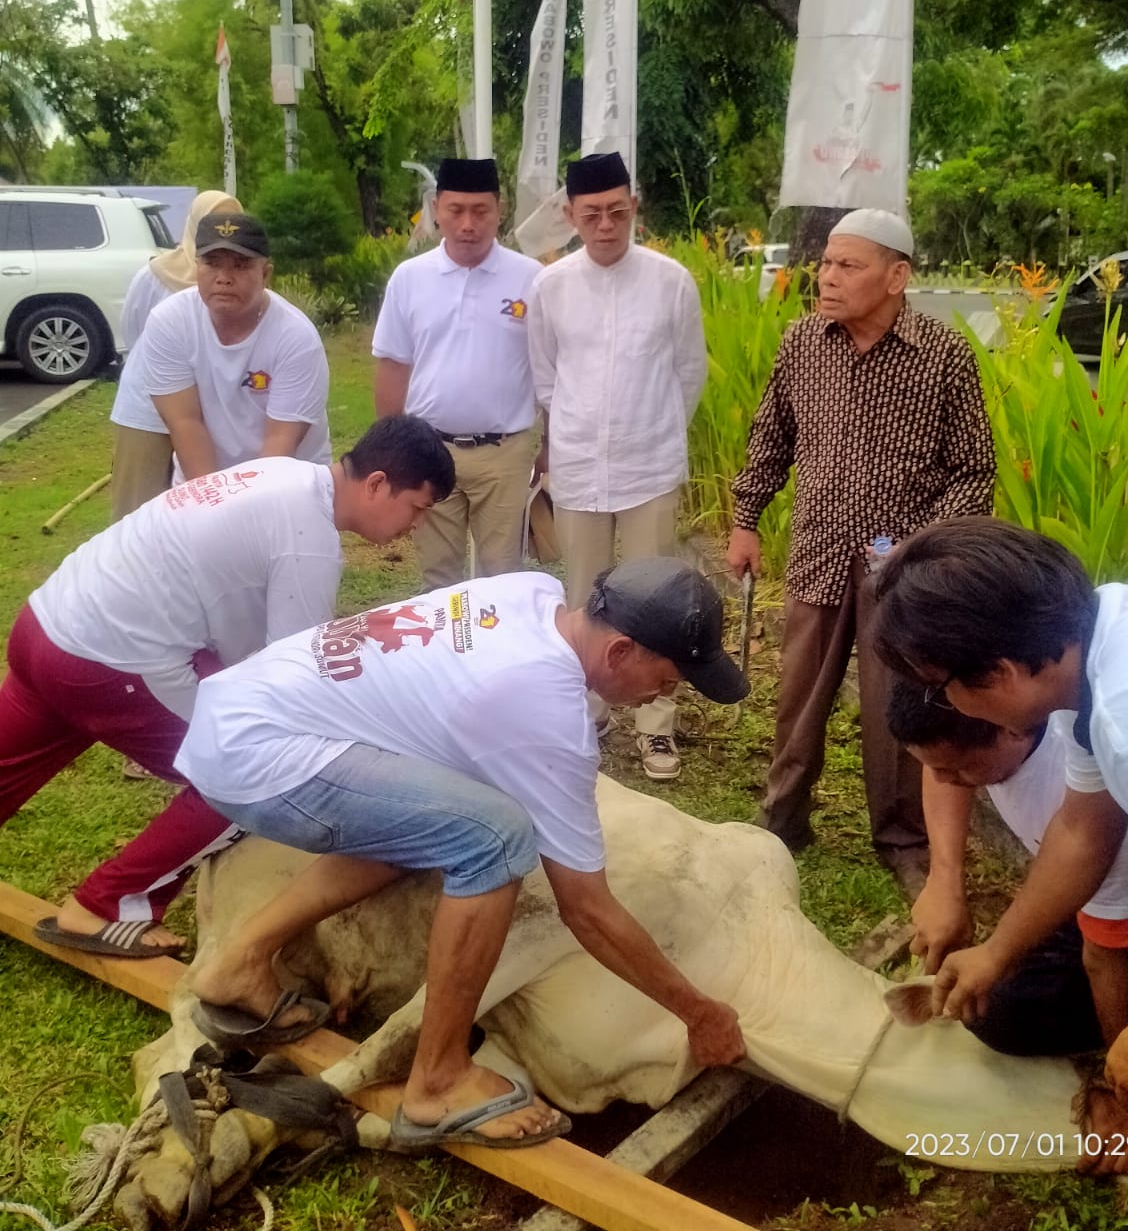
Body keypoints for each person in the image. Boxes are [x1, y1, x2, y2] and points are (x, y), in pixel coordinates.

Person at [179, 557, 749, 1151]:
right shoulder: (544, 711)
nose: (669, 690)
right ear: (620, 651)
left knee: (441, 819)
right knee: (494, 837)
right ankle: (439, 1081)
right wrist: (700, 1013)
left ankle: (240, 961)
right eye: (669, 676)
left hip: (241, 708)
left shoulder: (530, 591)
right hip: (262, 761)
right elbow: (588, 911)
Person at [1, 418, 453, 960]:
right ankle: (107, 906)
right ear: (377, 484)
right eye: (419, 509)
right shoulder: (309, 542)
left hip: (45, 626)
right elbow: (293, 678)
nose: (416, 528)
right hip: (106, 664)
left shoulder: (284, 475)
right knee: (253, 772)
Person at [870, 516, 1128, 1159]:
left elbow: (1114, 928)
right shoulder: (1108, 641)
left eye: (943, 688)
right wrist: (998, 953)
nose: (947, 706)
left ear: (996, 674)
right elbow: (1081, 830)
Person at [725, 207, 995, 894]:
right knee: (798, 696)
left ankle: (903, 837)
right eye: (826, 263)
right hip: (818, 547)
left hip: (900, 570)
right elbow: (770, 439)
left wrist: (921, 550)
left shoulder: (943, 355)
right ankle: (782, 819)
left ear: (897, 275)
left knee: (897, 703)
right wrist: (746, 518)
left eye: (849, 265)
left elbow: (974, 469)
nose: (828, 277)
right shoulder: (802, 344)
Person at [525, 153, 707, 781]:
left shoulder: (671, 280)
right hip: (577, 466)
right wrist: (581, 432)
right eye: (592, 214)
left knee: (654, 596)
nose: (605, 225)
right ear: (572, 216)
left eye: (617, 211)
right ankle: (588, 711)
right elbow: (546, 378)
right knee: (583, 595)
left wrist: (650, 429)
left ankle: (656, 728)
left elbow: (689, 373)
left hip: (650, 465)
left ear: (635, 207)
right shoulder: (551, 286)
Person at [373, 157, 542, 589]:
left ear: (499, 211)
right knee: (437, 578)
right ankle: (446, 655)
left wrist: (550, 447)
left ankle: (498, 657)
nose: (468, 223)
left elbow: (551, 370)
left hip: (504, 454)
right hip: (430, 448)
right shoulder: (410, 278)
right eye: (456, 210)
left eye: (480, 211)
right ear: (436, 209)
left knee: (502, 578)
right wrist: (392, 451)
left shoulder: (531, 280)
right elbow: (393, 364)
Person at [141, 211, 331, 481]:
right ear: (196, 268)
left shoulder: (296, 338)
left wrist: (240, 514)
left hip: (287, 485)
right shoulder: (169, 322)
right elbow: (186, 425)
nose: (224, 277)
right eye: (212, 263)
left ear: (265, 274)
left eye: (241, 265)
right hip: (202, 483)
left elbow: (279, 444)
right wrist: (212, 505)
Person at [110, 190, 243, 520]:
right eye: (211, 222)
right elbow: (134, 330)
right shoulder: (156, 274)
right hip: (147, 409)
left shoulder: (239, 278)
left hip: (208, 411)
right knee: (138, 509)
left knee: (195, 506)